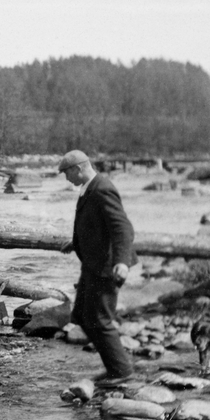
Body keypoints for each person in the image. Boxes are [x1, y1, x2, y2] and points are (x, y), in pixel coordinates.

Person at [59, 149, 137, 386]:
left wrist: (122, 262)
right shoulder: (89, 188)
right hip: (93, 264)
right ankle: (115, 368)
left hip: (107, 267)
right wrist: (77, 242)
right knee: (82, 315)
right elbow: (96, 224)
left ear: (79, 168)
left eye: (66, 173)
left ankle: (121, 371)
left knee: (100, 318)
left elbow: (122, 228)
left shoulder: (102, 188)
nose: (66, 179)